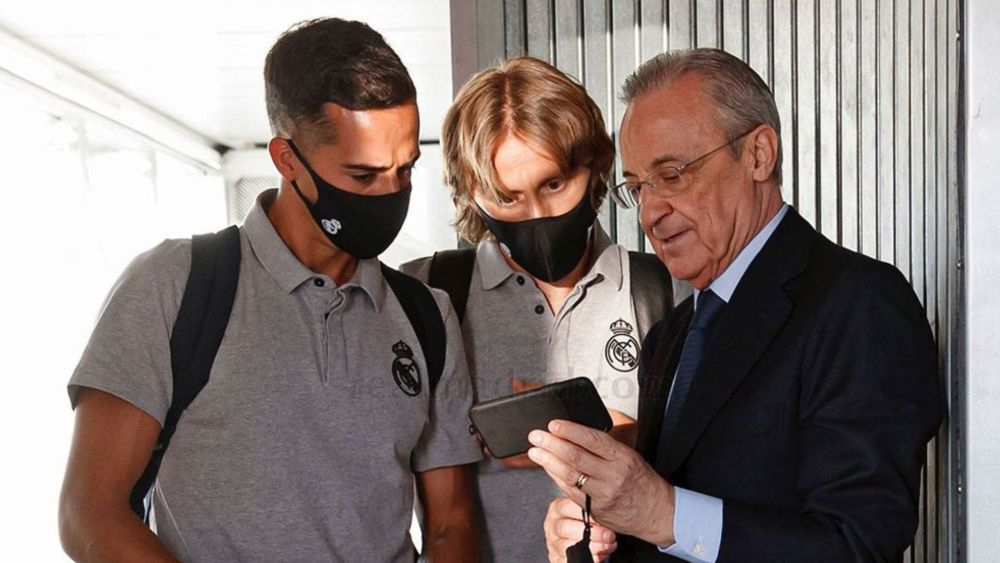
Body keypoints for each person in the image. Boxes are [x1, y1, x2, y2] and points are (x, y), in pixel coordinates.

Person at [58, 18, 481, 562]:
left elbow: (451, 525)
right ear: (287, 160)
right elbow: (89, 512)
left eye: (405, 170)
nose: (390, 192)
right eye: (363, 176)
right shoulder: (173, 286)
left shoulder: (426, 316)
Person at [531, 48, 943, 562]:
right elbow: (668, 530)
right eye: (636, 188)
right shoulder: (671, 335)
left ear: (758, 155)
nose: (651, 212)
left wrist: (659, 511)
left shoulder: (859, 306)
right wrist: (598, 536)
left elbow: (858, 545)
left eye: (673, 175)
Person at [400, 56, 673, 562]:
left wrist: (613, 438)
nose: (539, 216)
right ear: (473, 196)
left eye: (554, 184)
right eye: (508, 198)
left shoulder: (662, 288)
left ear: (594, 166)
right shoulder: (425, 294)